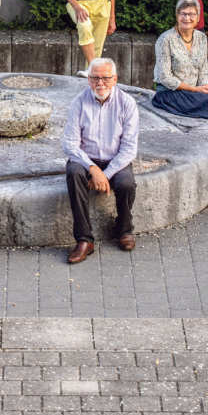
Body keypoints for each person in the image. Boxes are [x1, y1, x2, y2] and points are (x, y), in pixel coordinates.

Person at [62, 57, 139, 263]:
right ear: (88, 80)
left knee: (126, 183)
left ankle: (124, 228)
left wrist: (105, 174)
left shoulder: (127, 104)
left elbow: (129, 148)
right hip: (86, 159)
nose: (100, 83)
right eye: (95, 78)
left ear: (115, 79)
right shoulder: (79, 102)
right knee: (73, 173)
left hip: (115, 159)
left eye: (105, 78)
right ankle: (84, 239)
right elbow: (69, 144)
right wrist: (93, 168)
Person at [151, 0, 208, 162]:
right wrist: (196, 91)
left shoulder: (201, 38)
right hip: (170, 93)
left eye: (191, 14)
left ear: (198, 18)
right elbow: (165, 77)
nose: (187, 18)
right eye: (183, 14)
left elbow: (203, 70)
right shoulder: (165, 40)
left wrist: (206, 90)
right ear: (177, 15)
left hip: (195, 91)